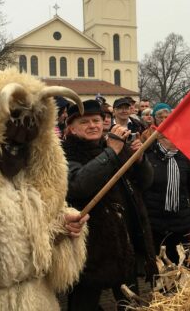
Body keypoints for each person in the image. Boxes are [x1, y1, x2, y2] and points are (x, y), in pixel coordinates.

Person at [64, 100, 156, 311]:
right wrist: (111, 152)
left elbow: (144, 183)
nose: (93, 125)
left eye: (96, 120)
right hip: (88, 250)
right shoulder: (66, 153)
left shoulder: (113, 146)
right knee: (83, 304)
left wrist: (140, 160)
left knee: (131, 303)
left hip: (123, 245)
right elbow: (78, 185)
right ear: (71, 127)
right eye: (84, 122)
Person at [143, 106, 190, 263]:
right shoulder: (148, 157)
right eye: (171, 137)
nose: (176, 140)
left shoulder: (186, 159)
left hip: (180, 221)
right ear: (160, 138)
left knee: (178, 261)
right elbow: (142, 188)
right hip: (155, 222)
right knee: (159, 263)